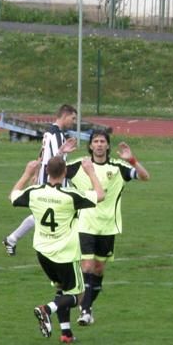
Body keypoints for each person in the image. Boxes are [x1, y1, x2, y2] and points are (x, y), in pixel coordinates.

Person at [10, 155, 105, 344]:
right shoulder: (71, 196)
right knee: (78, 296)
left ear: (46, 171)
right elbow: (100, 195)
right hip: (65, 255)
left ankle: (66, 333)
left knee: (62, 289)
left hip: (42, 252)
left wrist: (27, 173)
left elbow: (13, 196)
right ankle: (46, 309)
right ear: (65, 172)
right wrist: (91, 172)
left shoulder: (34, 192)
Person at [65, 130, 150, 326]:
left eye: (102, 141)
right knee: (87, 266)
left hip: (108, 226)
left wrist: (132, 160)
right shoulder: (79, 165)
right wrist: (62, 154)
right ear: (90, 145)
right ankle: (85, 311)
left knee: (98, 270)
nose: (99, 144)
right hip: (85, 223)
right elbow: (52, 170)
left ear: (108, 145)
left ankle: (88, 305)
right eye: (95, 141)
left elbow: (145, 177)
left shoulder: (118, 167)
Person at [2, 105, 78, 255]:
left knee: (43, 213)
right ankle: (58, 244)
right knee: (60, 211)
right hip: (53, 179)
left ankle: (12, 239)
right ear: (64, 116)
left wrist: (36, 172)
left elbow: (42, 154)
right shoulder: (57, 135)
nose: (74, 121)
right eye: (73, 118)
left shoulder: (49, 131)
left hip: (47, 176)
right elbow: (56, 160)